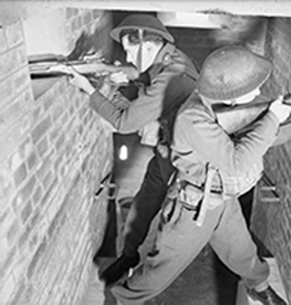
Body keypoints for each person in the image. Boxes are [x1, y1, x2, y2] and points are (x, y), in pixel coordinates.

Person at [110, 46, 291, 305]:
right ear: (230, 91)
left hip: (222, 198)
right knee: (160, 269)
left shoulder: (220, 106)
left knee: (242, 253)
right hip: (193, 207)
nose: (258, 93)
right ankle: (124, 298)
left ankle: (259, 287)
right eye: (252, 88)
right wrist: (274, 115)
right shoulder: (193, 118)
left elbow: (264, 138)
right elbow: (237, 161)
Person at [66, 14, 198, 285]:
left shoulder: (173, 75)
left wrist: (90, 89)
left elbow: (124, 122)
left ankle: (138, 288)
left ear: (147, 45)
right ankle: (128, 255)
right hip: (167, 150)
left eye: (129, 49)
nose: (126, 55)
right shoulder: (170, 57)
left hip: (190, 165)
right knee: (143, 204)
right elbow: (144, 74)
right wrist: (115, 73)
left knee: (175, 232)